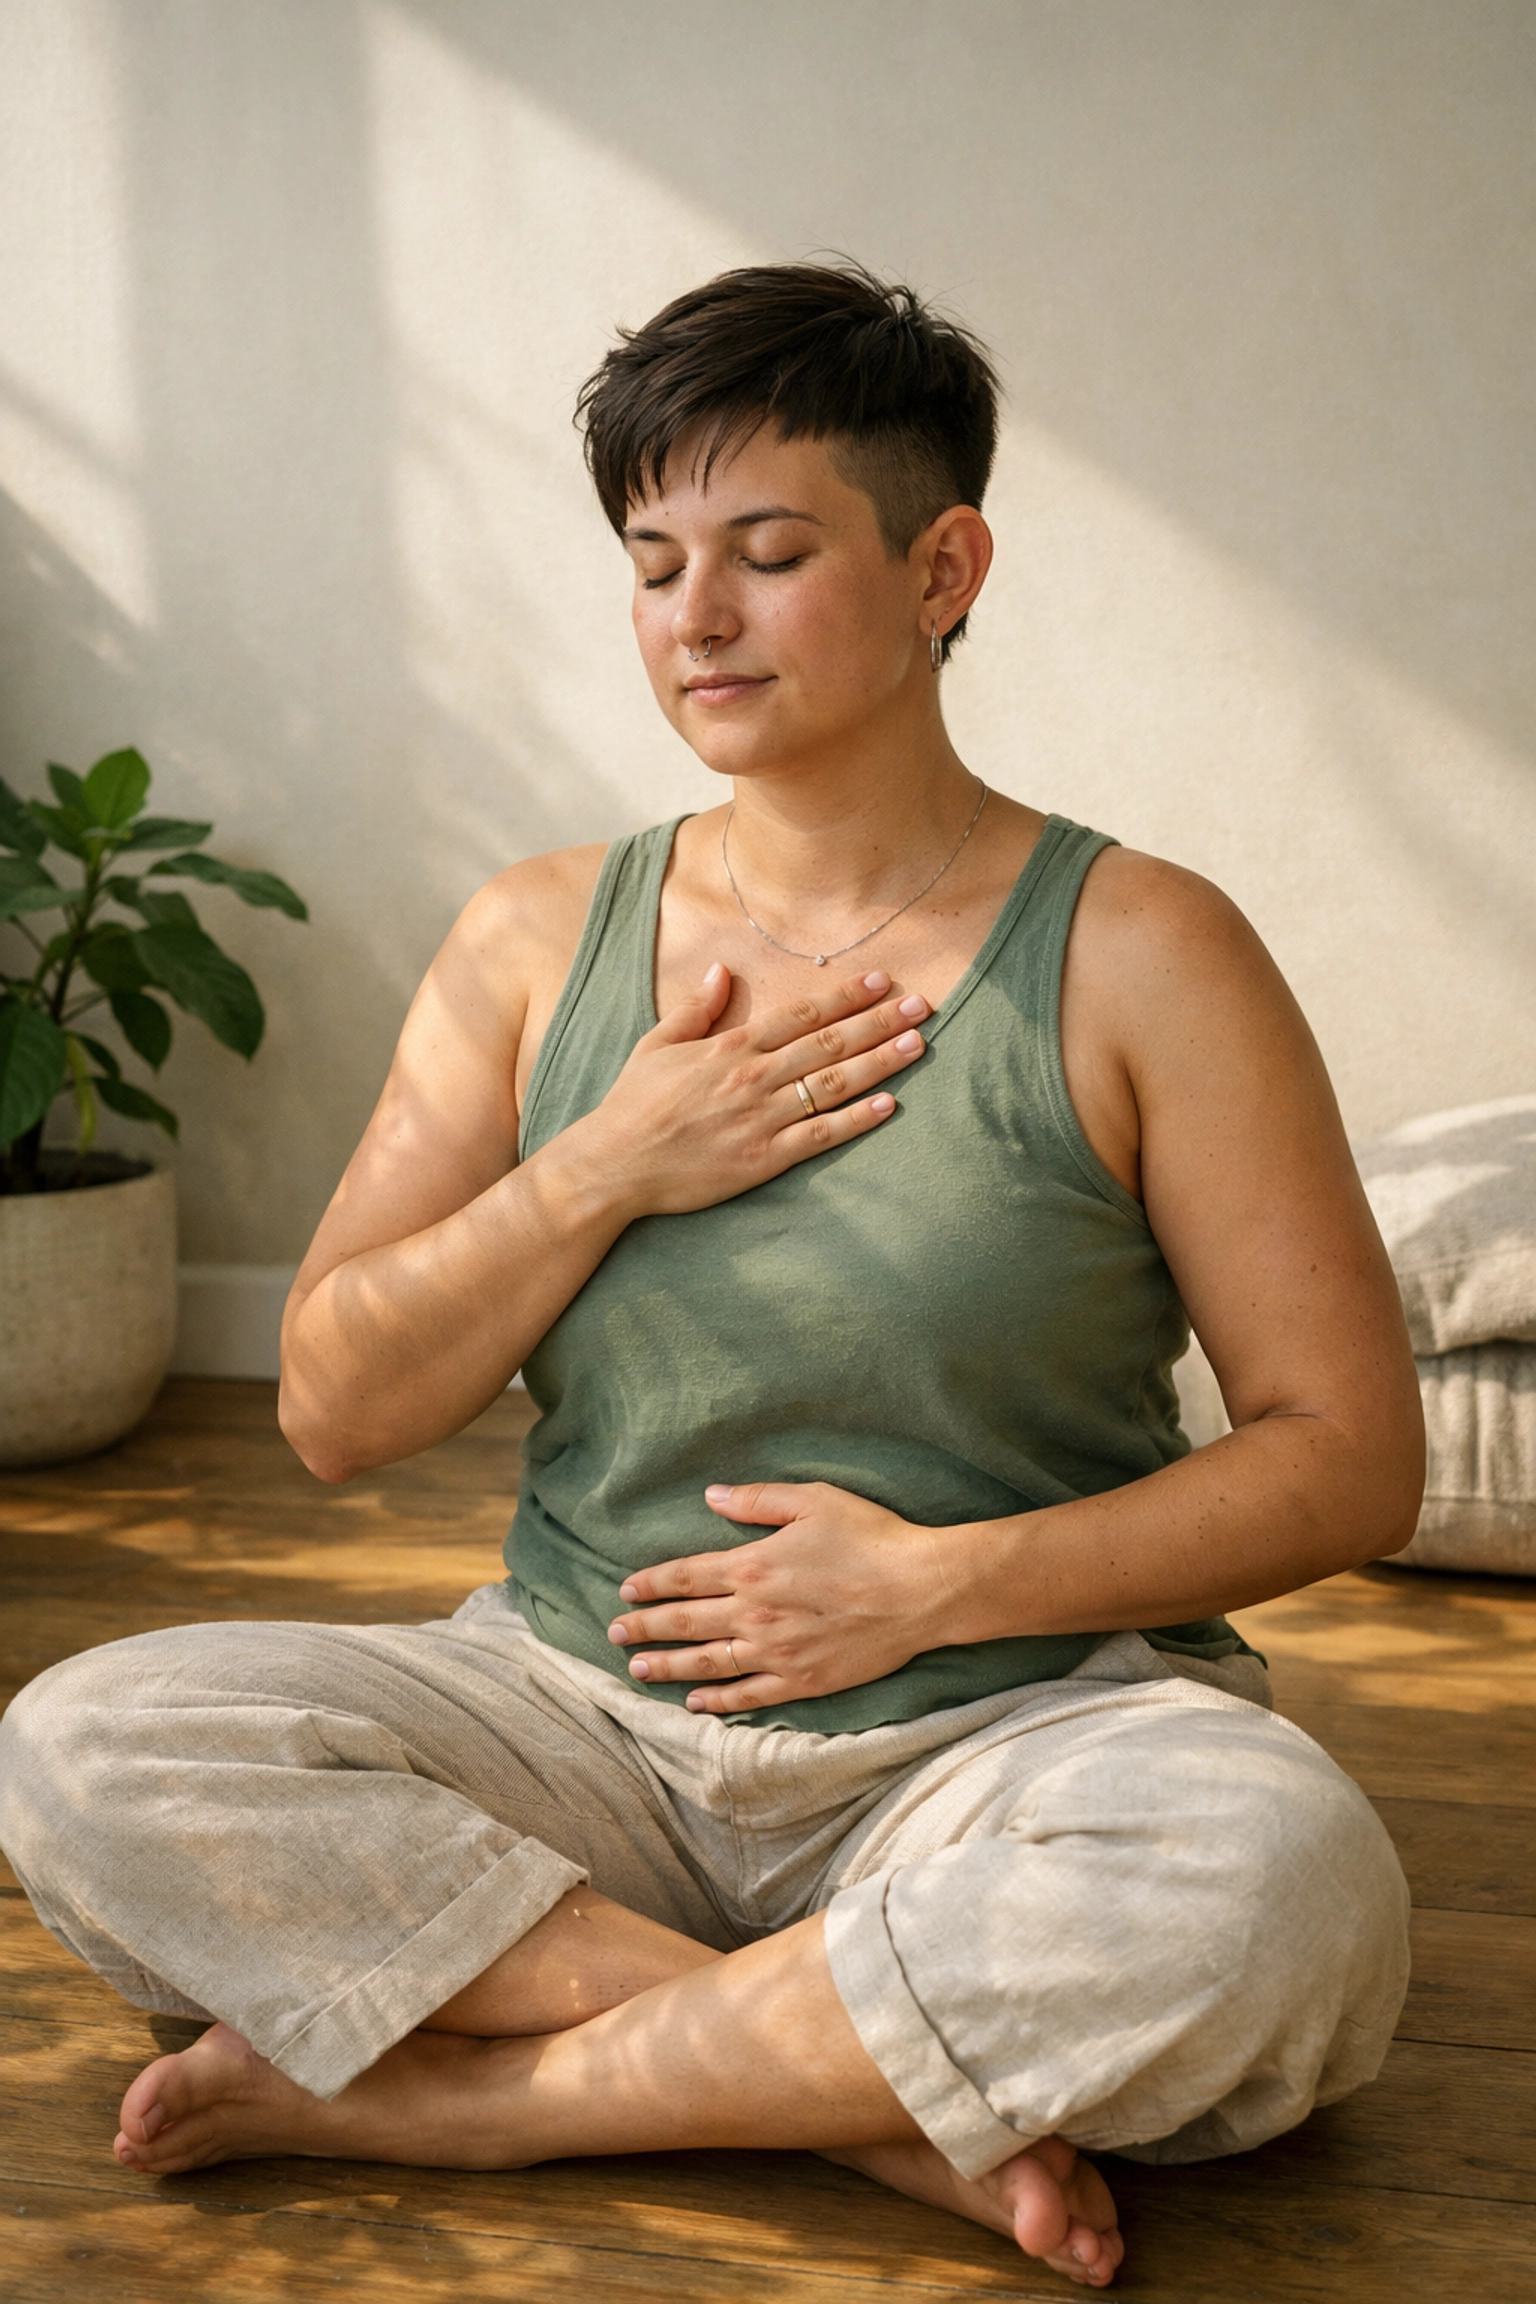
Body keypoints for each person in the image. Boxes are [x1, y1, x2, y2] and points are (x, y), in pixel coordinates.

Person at [0, 262, 1421, 2290]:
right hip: (576, 1723)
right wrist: (605, 1162)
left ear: (948, 566)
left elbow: (1350, 1457)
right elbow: (331, 1406)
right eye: (654, 560)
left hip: (1010, 1740)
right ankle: (867, 2098)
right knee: (81, 1748)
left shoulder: (1143, 950)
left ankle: (492, 2092)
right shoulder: (533, 939)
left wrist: (941, 1583)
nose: (696, 617)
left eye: (769, 552)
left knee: (1278, 1897)